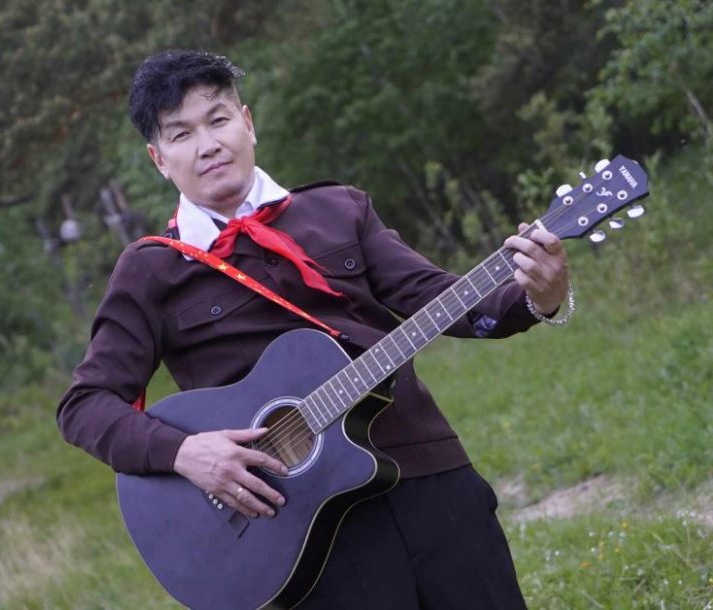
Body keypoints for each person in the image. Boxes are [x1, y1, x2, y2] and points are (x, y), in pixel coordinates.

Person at [57, 49, 570, 609]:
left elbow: (447, 300)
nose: (208, 145)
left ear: (247, 123)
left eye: (218, 120)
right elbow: (85, 406)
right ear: (159, 159)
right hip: (299, 530)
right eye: (182, 134)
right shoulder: (151, 269)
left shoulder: (339, 209)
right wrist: (184, 453)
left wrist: (538, 296)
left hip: (427, 474)